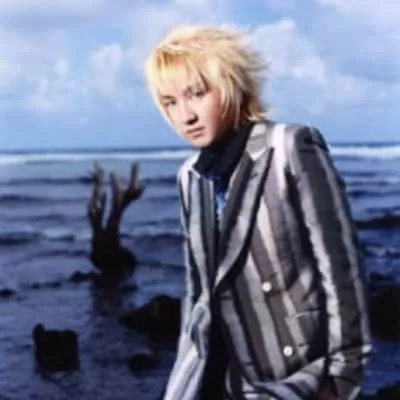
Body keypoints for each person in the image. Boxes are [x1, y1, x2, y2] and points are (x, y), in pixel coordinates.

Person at [144, 25, 372, 400]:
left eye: (197, 94)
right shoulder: (190, 177)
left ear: (231, 84)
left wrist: (340, 379)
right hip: (217, 374)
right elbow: (198, 292)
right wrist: (184, 379)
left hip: (295, 374)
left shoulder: (290, 146)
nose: (185, 115)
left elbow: (340, 269)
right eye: (170, 102)